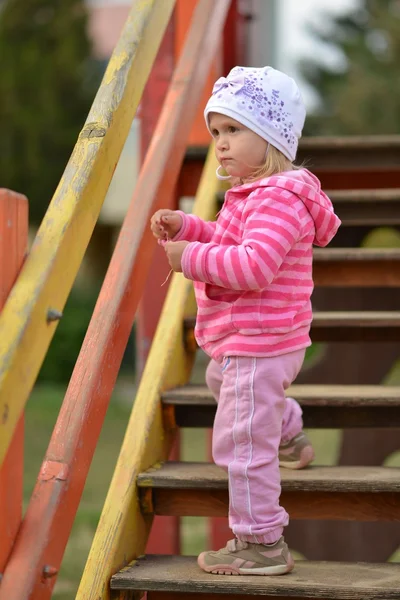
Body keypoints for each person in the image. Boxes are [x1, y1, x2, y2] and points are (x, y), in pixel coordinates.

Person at [150, 66, 341, 576]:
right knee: (218, 379)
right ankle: (289, 430)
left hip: (261, 341)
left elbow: (253, 265)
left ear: (272, 136)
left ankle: (261, 542)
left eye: (234, 130)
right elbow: (230, 238)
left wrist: (187, 256)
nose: (221, 143)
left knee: (241, 442)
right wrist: (190, 226)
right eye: (216, 133)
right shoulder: (253, 194)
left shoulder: (278, 198)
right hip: (251, 341)